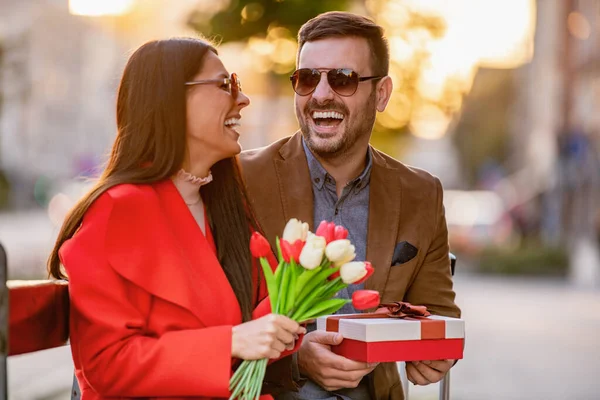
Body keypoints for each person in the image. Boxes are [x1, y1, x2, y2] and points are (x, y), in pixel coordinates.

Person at [47, 38, 305, 400]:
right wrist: (230, 342)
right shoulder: (116, 211)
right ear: (170, 99)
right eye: (224, 85)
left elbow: (255, 324)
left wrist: (296, 320)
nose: (242, 99)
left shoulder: (225, 209)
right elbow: (105, 365)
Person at [240, 12, 461, 400]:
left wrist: (434, 355)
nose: (321, 94)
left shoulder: (421, 193)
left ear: (381, 94)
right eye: (307, 78)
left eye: (342, 78)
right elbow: (211, 319)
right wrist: (294, 358)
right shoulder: (241, 178)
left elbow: (438, 311)